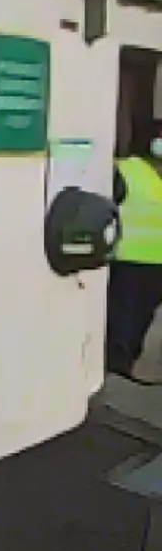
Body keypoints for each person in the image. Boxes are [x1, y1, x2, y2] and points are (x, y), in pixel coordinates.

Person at [107, 132, 162, 384]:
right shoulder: (128, 170)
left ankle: (123, 365)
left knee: (136, 317)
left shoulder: (135, 171)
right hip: (127, 260)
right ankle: (115, 367)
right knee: (125, 316)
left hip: (147, 263)